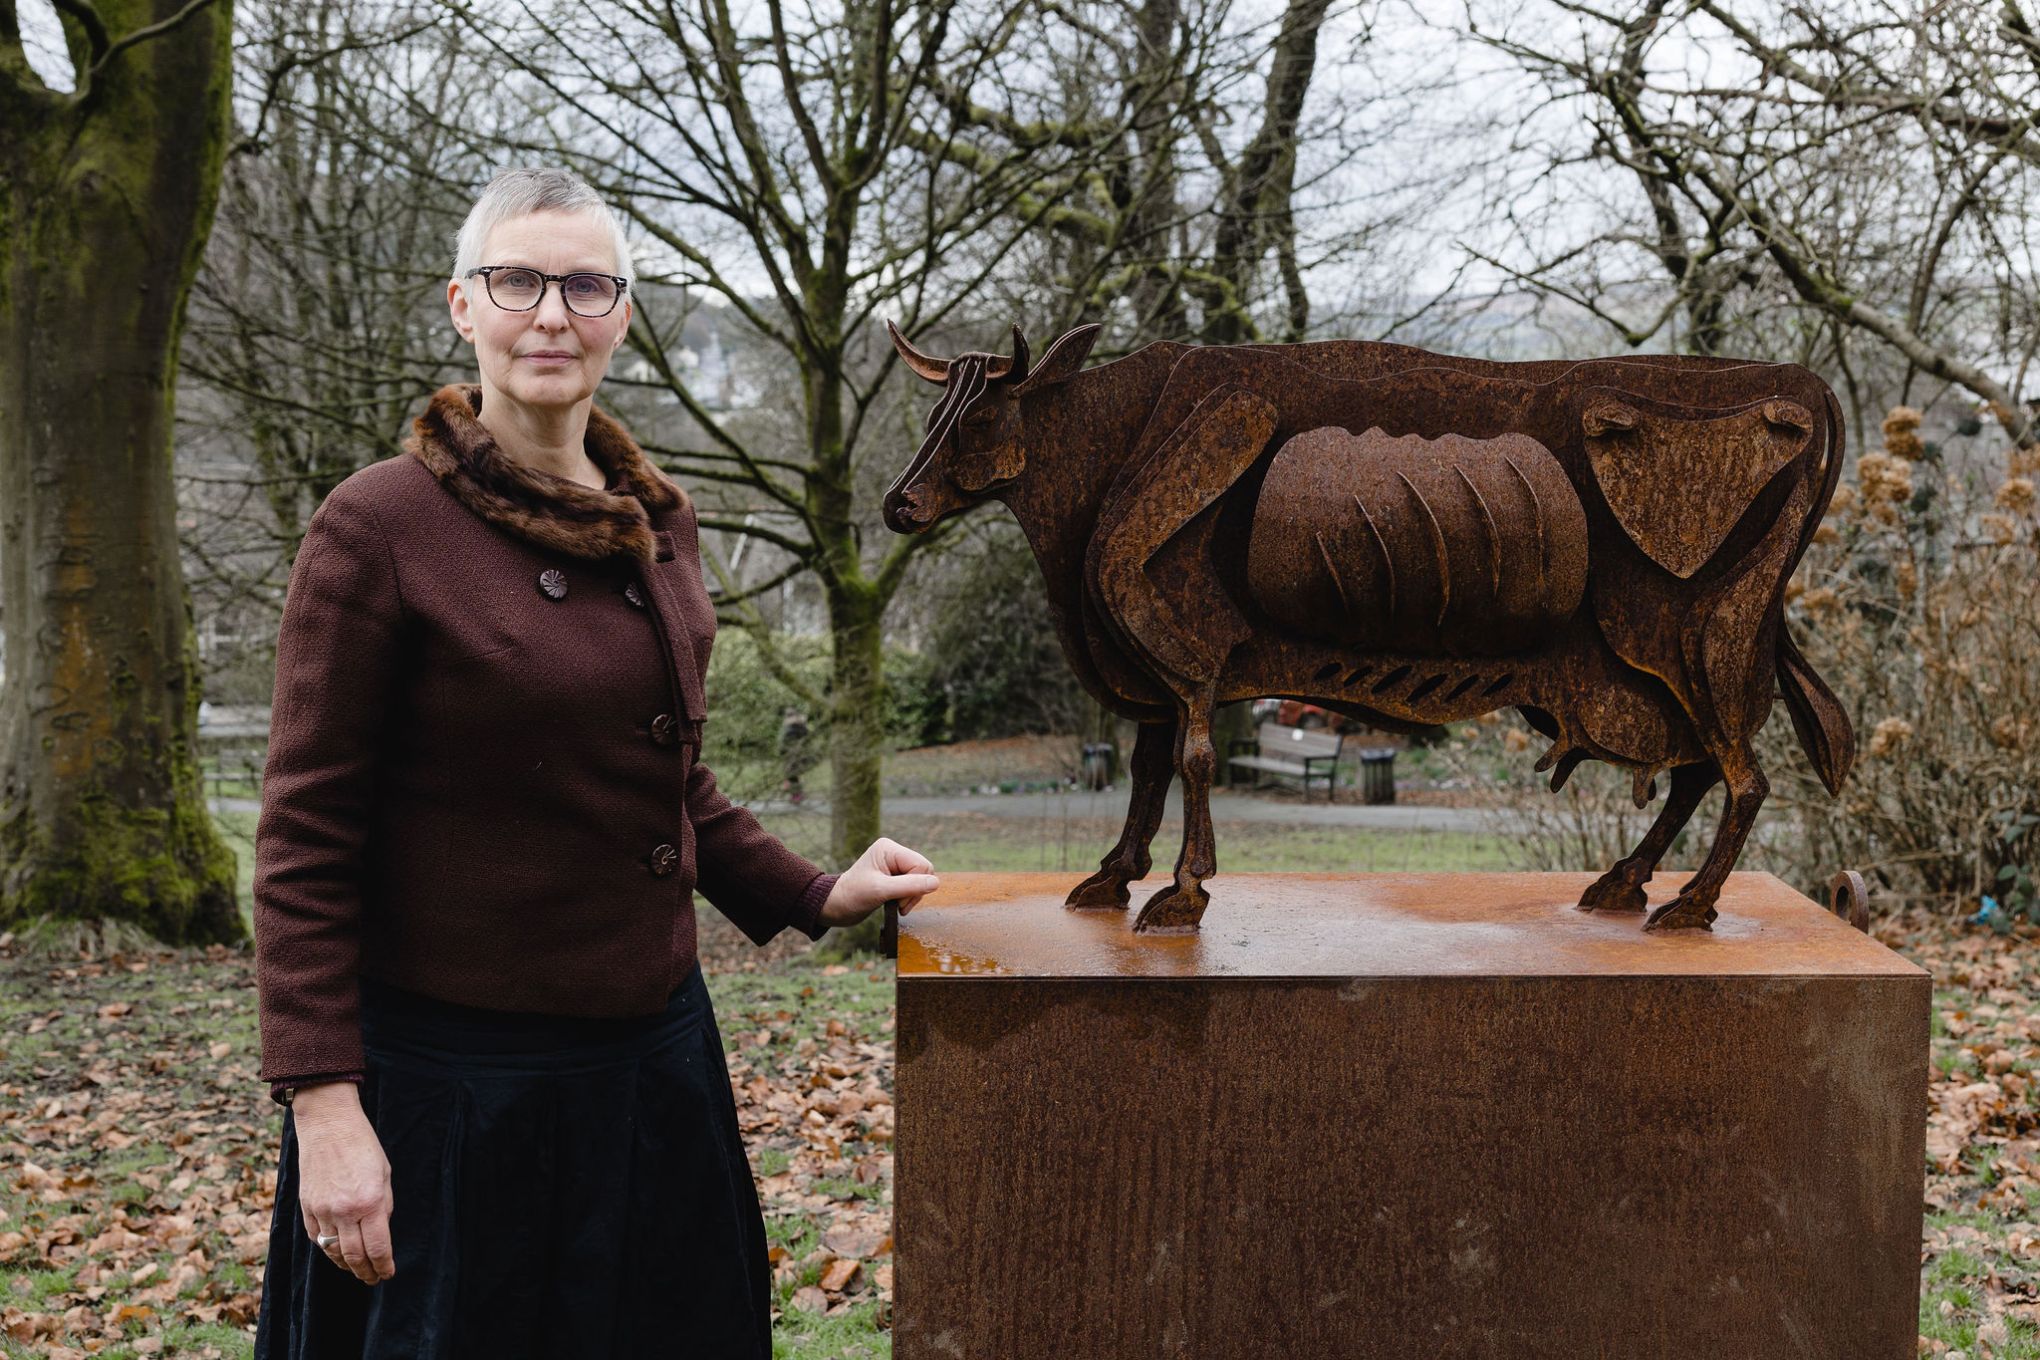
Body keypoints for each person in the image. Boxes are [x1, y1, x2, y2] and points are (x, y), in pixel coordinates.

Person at [251, 166, 939, 1358]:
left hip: (649, 1062)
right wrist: (325, 1105)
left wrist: (815, 892)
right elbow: (306, 837)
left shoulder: (655, 519)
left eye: (584, 283)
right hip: (456, 1089)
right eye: (517, 281)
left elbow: (668, 781)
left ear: (623, 314)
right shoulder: (377, 526)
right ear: (464, 307)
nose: (552, 312)